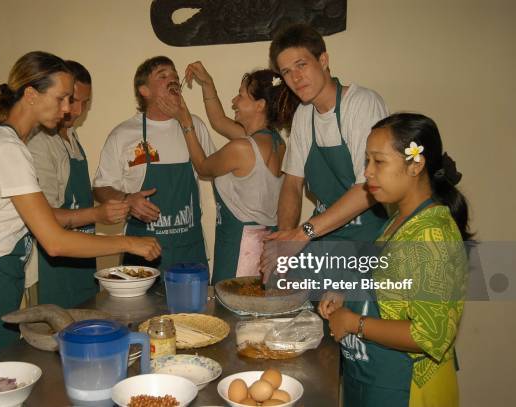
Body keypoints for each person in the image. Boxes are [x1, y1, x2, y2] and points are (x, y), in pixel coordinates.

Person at [0, 51, 160, 375]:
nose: (69, 108)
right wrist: (127, 243)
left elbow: (47, 216)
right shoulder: (7, 148)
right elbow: (54, 242)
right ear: (30, 94)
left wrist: (95, 216)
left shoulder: (9, 141)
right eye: (62, 98)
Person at [319, 113, 470, 406]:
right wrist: (346, 297)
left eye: (379, 161)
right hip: (367, 378)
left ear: (416, 164)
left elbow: (429, 335)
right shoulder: (396, 219)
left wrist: (353, 322)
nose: (368, 173)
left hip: (404, 389)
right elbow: (389, 286)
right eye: (367, 161)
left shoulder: (432, 236)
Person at [260, 23, 390, 278]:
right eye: (286, 72)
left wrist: (302, 233)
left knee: (353, 316)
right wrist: (283, 244)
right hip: (324, 241)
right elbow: (292, 184)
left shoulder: (361, 104)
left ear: (323, 60)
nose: (295, 78)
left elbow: (368, 189)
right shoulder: (303, 116)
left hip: (367, 244)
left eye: (301, 65)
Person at [159, 62, 298, 283]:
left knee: (233, 310)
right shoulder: (276, 142)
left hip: (240, 249)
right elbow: (219, 121)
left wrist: (185, 120)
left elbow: (203, 167)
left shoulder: (242, 149)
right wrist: (207, 83)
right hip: (265, 243)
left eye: (240, 96)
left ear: (260, 105)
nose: (234, 101)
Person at [93, 56, 215, 272]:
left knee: (193, 307)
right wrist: (127, 200)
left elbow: (212, 171)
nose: (173, 80)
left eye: (175, 76)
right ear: (144, 91)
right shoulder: (123, 135)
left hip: (189, 251)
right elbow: (101, 188)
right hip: (141, 254)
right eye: (163, 75)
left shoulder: (195, 126)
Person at [27, 60, 128, 308]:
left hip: (80, 261)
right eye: (72, 100)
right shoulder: (40, 142)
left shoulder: (71, 136)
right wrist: (97, 214)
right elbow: (45, 217)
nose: (78, 110)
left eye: (85, 103)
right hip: (51, 268)